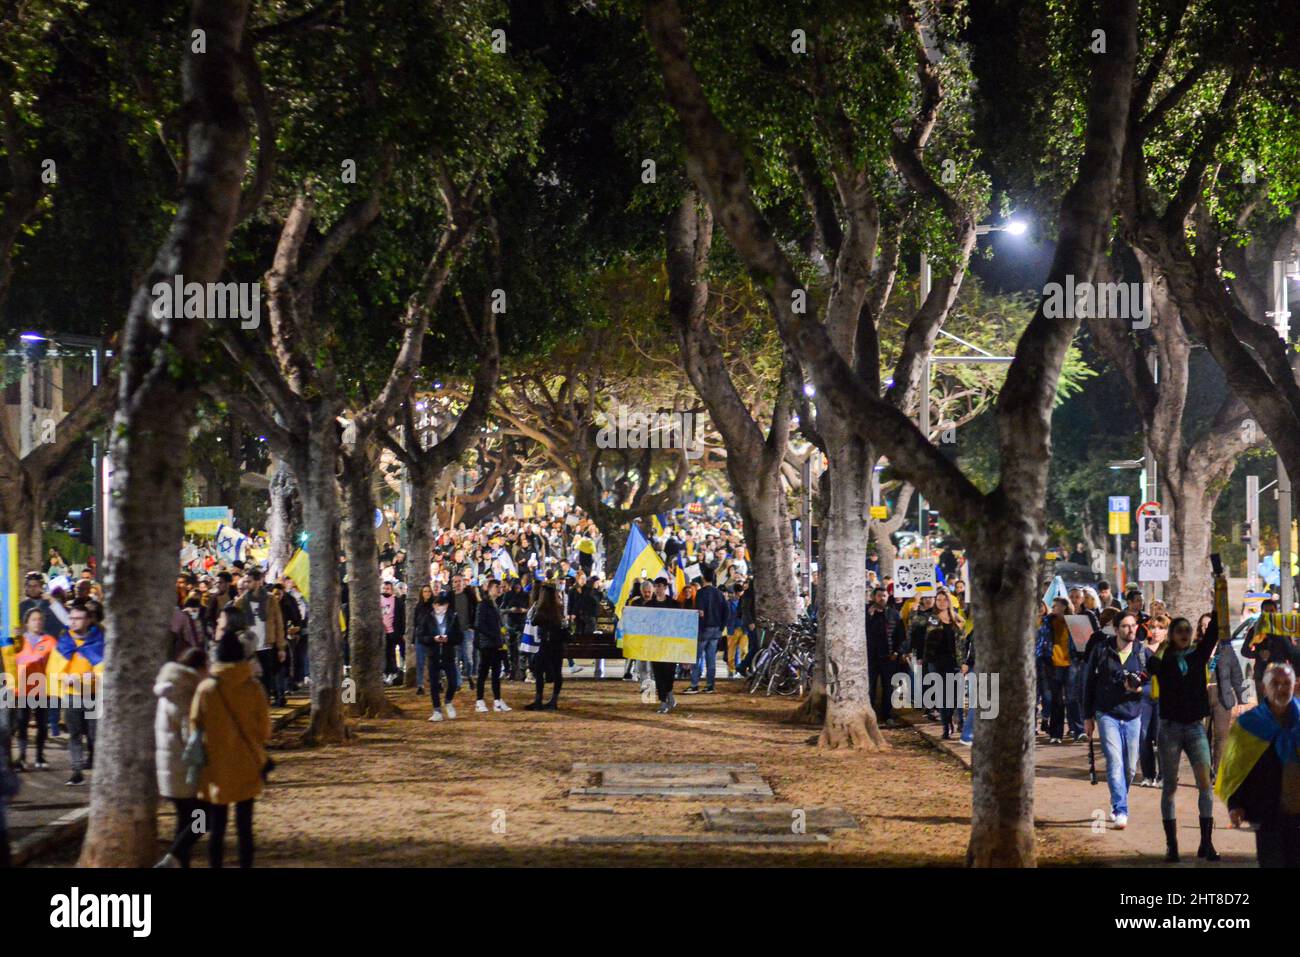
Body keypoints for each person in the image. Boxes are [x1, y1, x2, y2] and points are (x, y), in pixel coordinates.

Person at [190, 632, 271, 868]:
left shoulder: (206, 688)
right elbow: (265, 729)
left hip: (215, 764)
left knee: (217, 827)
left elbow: (195, 724)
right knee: (245, 827)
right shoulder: (253, 687)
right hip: (247, 762)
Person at [1149, 614, 1220, 862]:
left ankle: (1206, 843)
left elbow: (1214, 629)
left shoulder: (1198, 654)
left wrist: (1220, 583)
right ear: (1171, 634)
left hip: (1194, 728)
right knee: (1169, 786)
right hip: (1169, 729)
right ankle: (1172, 845)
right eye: (1179, 630)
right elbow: (1150, 669)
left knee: (1205, 785)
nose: (1184, 634)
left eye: (1187, 630)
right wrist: (1160, 649)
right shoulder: (1163, 658)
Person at [1217, 662, 1300, 866]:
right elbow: (1235, 768)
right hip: (1267, 814)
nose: (1281, 688)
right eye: (1275, 683)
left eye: (1286, 683)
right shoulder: (1249, 724)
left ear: (1295, 686)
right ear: (1264, 687)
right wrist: (1235, 804)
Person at [1082, 611, 1152, 830]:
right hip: (1107, 714)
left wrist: (1141, 688)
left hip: (1133, 714)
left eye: (1133, 625)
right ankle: (1120, 809)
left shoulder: (1143, 653)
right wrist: (1087, 716)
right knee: (1115, 762)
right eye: (1125, 626)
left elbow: (1158, 682)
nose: (1131, 630)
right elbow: (1088, 683)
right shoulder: (1102, 650)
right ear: (1116, 629)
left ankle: (1120, 797)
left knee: (1130, 768)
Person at [153, 648, 208, 867]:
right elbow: (190, 735)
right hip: (184, 769)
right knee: (203, 819)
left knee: (185, 819)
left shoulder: (168, 688)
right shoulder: (186, 692)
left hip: (169, 768)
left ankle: (179, 861)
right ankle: (172, 859)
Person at [47, 600, 106, 787]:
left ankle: (98, 768)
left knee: (94, 734)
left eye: (78, 618)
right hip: (72, 694)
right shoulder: (65, 641)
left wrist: (95, 676)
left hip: (93, 694)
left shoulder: (99, 640)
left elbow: (105, 666)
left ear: (88, 620)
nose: (73, 622)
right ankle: (76, 770)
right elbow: (54, 668)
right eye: (71, 618)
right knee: (74, 734)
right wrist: (64, 678)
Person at [4, 608, 56, 770]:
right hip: (21, 690)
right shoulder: (18, 641)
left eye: (40, 619)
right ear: (26, 623)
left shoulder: (49, 641)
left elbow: (55, 665)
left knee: (41, 725)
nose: (38, 622)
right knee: (22, 725)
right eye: (34, 619)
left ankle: (40, 756)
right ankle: (22, 757)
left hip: (41, 689)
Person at [1207, 611, 1248, 778]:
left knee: (1221, 735)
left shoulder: (1226, 649)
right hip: (1200, 696)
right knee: (1203, 736)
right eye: (1205, 626)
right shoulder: (1195, 649)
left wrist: (1242, 700)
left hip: (1222, 694)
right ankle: (1204, 770)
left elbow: (1237, 675)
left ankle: (1218, 773)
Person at [920, 591, 964, 739]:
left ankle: (952, 719)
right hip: (936, 661)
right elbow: (917, 627)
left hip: (954, 662)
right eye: (939, 600)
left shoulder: (956, 619)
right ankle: (946, 726)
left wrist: (964, 661)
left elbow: (962, 642)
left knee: (954, 696)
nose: (941, 602)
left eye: (944, 600)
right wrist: (915, 607)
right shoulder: (931, 619)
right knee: (942, 695)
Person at [419, 592, 462, 721]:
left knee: (453, 682)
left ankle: (448, 701)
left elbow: (459, 636)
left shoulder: (453, 617)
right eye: (437, 605)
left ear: (447, 606)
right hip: (433, 654)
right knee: (434, 684)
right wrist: (433, 639)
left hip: (448, 654)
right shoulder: (427, 618)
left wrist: (448, 639)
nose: (439, 608)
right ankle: (437, 710)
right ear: (433, 605)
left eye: (442, 605)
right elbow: (421, 636)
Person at [684, 566, 727, 695]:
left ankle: (694, 684)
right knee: (711, 659)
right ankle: (710, 685)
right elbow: (726, 611)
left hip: (704, 630)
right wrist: (721, 627)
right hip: (716, 630)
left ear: (703, 578)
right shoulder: (719, 593)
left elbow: (700, 613)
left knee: (697, 658)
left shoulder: (701, 593)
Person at [526, 583, 568, 711]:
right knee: (557, 672)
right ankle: (553, 700)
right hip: (558, 645)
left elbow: (533, 621)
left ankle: (538, 699)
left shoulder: (542, 609)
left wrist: (534, 607)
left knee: (538, 671)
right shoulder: (559, 608)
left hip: (545, 644)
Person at [642, 577, 681, 714]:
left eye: (660, 586)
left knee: (669, 672)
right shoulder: (649, 606)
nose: (658, 589)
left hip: (670, 645)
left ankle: (669, 694)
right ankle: (663, 701)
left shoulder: (674, 604)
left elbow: (682, 621)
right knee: (658, 673)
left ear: (665, 587)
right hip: (655, 645)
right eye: (656, 586)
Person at [1136, 614, 1166, 787]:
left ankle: (1164, 775)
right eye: (1153, 627)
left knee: (1162, 736)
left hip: (1164, 696)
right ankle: (1148, 774)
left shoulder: (1171, 649)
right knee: (1143, 735)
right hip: (1144, 696)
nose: (1156, 631)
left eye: (1160, 628)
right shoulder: (1140, 649)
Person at [865, 586, 902, 727]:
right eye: (879, 596)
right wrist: (869, 616)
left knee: (888, 687)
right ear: (874, 597)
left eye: (884, 596)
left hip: (889, 657)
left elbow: (900, 635)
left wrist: (897, 652)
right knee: (870, 688)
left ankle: (887, 715)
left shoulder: (894, 614)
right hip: (871, 657)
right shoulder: (867, 613)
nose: (882, 598)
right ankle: (870, 715)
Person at [474, 579, 511, 713]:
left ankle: (497, 700)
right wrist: (494, 634)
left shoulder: (495, 604)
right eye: (497, 587)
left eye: (501, 587)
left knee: (496, 672)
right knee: (483, 672)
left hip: (496, 643)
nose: (500, 589)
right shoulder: (484, 604)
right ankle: (479, 700)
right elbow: (479, 624)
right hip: (487, 644)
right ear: (489, 589)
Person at [380, 580, 406, 685]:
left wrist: (401, 631)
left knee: (391, 653)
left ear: (392, 590)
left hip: (393, 631)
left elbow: (402, 618)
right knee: (384, 653)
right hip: (382, 632)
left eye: (388, 589)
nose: (385, 590)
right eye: (384, 588)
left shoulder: (397, 602)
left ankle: (392, 673)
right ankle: (385, 673)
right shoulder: (378, 600)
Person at [411, 585, 436, 695]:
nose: (427, 594)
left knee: (434, 662)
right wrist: (413, 639)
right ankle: (420, 685)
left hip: (432, 637)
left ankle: (436, 682)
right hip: (420, 637)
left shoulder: (434, 606)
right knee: (420, 663)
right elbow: (415, 624)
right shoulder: (418, 607)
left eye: (429, 592)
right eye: (425, 592)